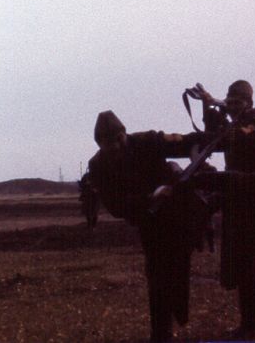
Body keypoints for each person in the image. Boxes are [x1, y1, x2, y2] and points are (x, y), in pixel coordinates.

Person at [87, 110, 208, 342]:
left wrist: (202, 148)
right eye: (109, 144)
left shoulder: (148, 141)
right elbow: (116, 206)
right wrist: (152, 197)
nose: (116, 146)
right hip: (149, 221)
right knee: (158, 277)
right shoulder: (99, 165)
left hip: (179, 214)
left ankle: (176, 318)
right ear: (99, 144)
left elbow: (186, 142)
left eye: (119, 139)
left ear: (124, 133)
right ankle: (161, 334)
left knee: (179, 269)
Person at [197, 80, 255, 339]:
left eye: (236, 102)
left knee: (248, 264)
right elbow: (216, 136)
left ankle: (254, 323)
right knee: (242, 264)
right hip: (239, 199)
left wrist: (215, 105)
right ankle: (251, 320)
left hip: (253, 201)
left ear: (248, 102)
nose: (231, 107)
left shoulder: (254, 124)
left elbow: (232, 136)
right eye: (229, 101)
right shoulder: (240, 122)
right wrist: (209, 106)